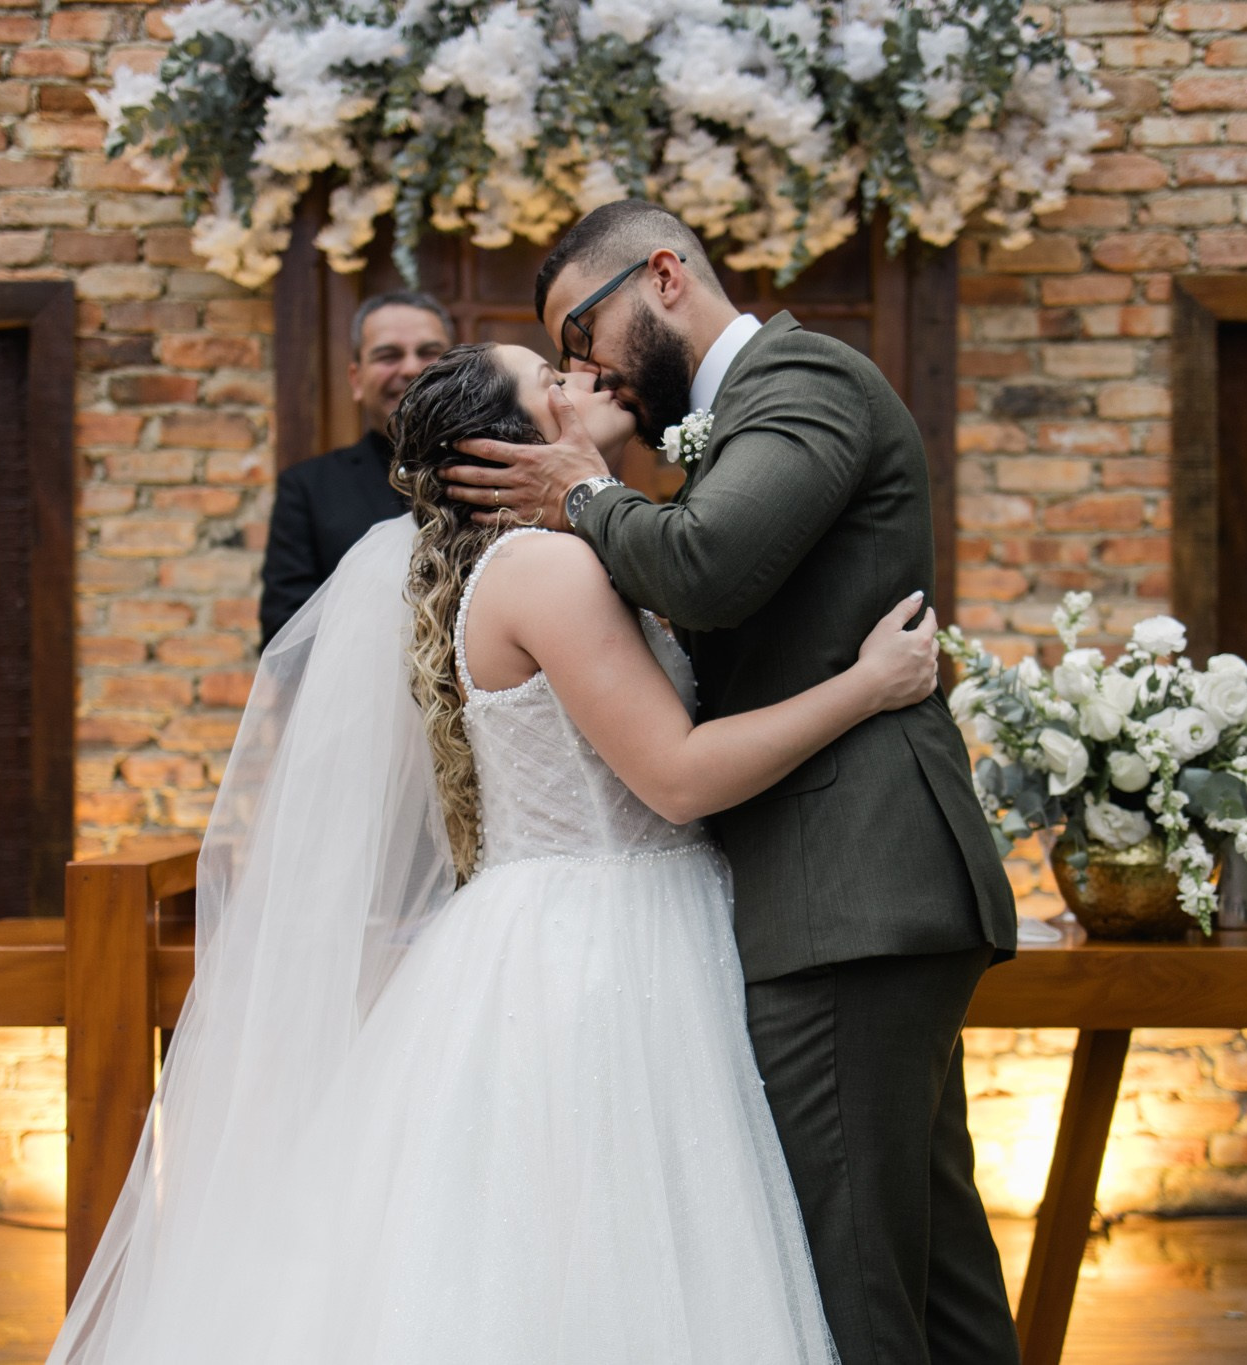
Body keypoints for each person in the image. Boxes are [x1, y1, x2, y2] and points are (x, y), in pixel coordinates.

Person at [46, 340, 944, 1364]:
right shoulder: (547, 570)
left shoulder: (547, 556)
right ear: (509, 448)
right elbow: (678, 777)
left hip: (586, 924)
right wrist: (867, 686)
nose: (583, 379)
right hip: (602, 949)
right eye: (552, 380)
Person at [444, 200, 1023, 1365]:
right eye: (559, 361)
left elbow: (705, 568)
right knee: (928, 1275)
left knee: (856, 1288)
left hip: (846, 889)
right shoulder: (709, 436)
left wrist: (583, 493)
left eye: (581, 333)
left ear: (662, 276)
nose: (584, 369)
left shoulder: (800, 380)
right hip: (839, 893)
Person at [258, 290, 453, 647]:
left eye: (429, 353)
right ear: (356, 379)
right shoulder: (308, 488)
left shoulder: (500, 472)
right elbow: (284, 631)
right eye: (388, 355)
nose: (411, 368)